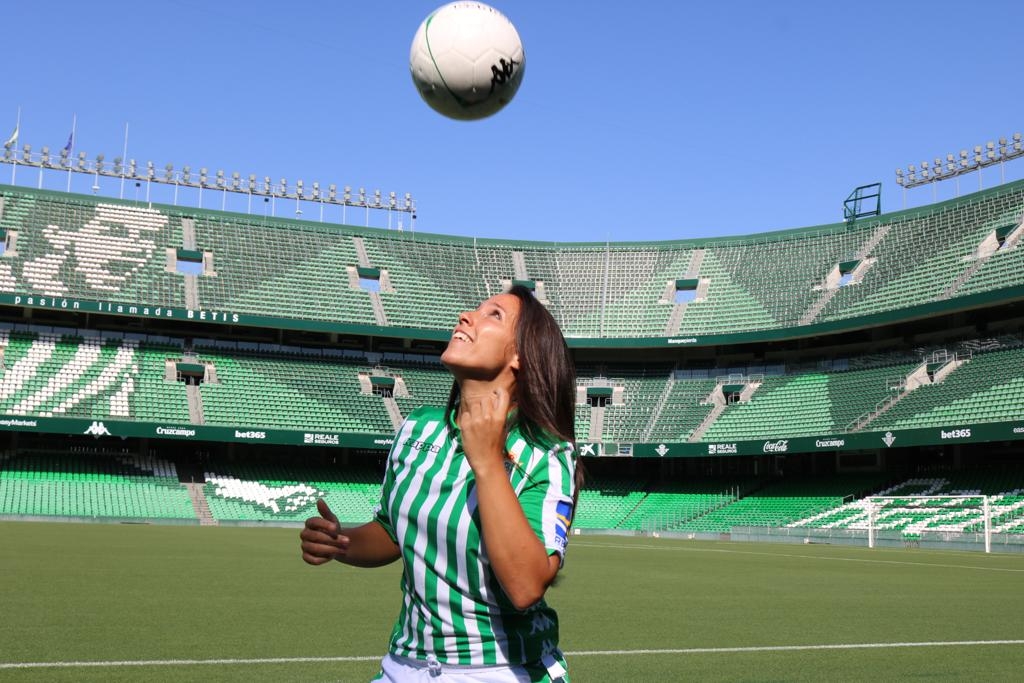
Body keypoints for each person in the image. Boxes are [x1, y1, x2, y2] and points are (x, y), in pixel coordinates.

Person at [301, 285, 582, 682]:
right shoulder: (418, 427)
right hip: (404, 664)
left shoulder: (547, 455)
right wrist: (341, 543)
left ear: (521, 355)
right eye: (473, 309)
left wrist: (486, 461)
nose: (466, 316)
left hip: (502, 669)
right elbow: (391, 531)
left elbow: (526, 586)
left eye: (494, 315)